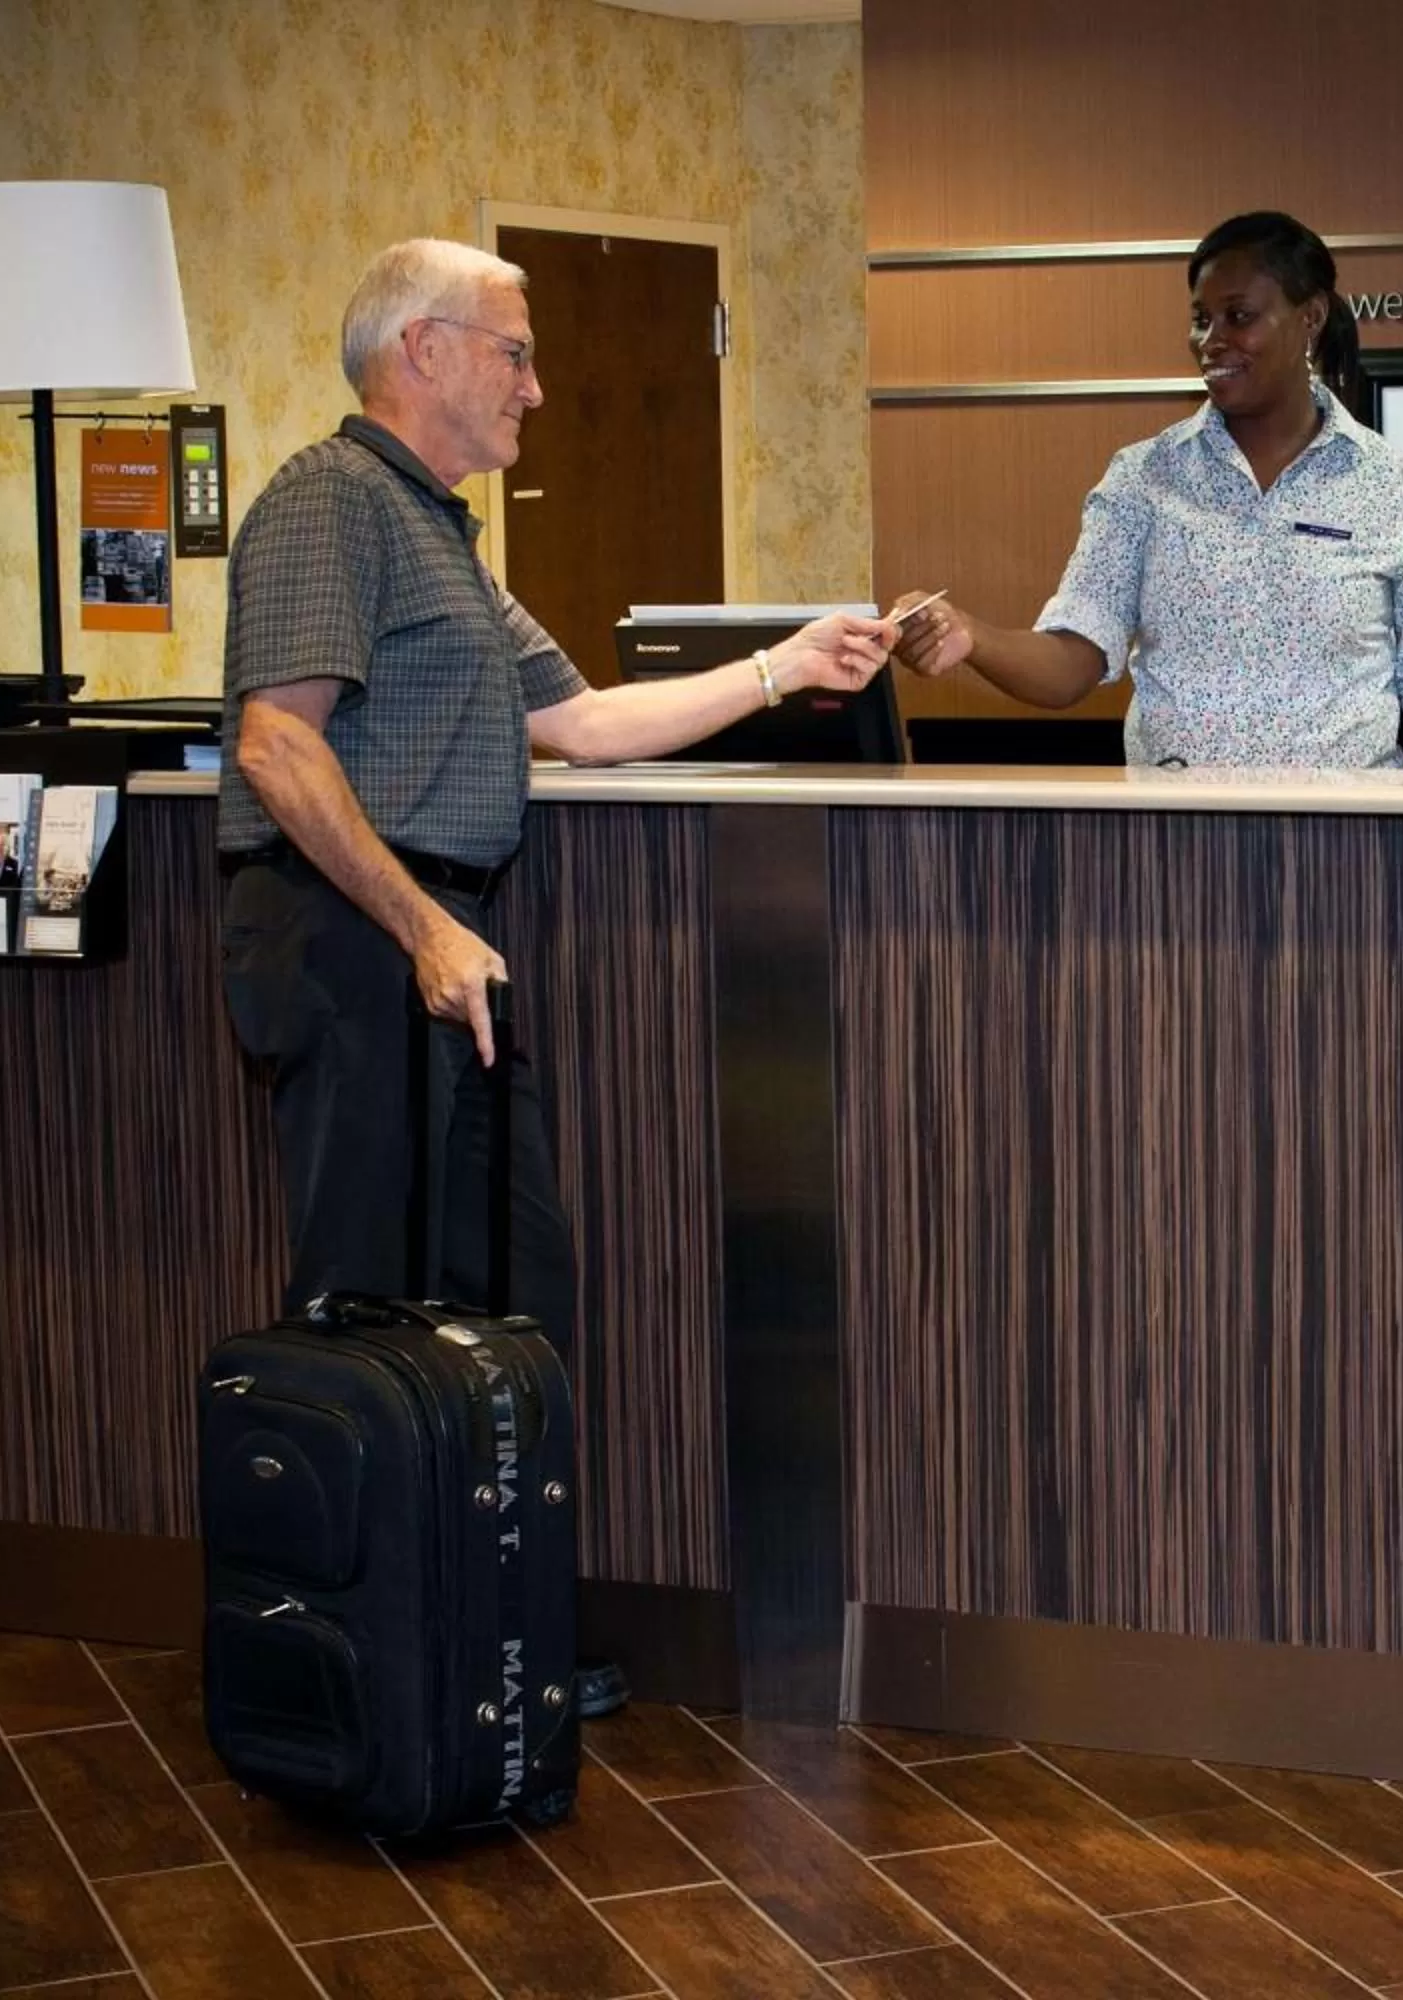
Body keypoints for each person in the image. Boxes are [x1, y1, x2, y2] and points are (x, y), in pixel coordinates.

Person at [216, 239, 896, 1714]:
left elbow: (586, 721)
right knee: (370, 1310)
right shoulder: (325, 502)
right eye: (515, 352)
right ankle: (364, 1669)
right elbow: (277, 744)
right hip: (358, 941)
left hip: (437, 947)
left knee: (499, 1298)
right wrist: (418, 928)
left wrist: (786, 668)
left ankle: (471, 1639)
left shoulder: (440, 534)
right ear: (424, 352)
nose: (538, 384)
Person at [889, 211, 1403, 769]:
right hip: (1175, 851)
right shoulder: (1143, 479)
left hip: (1341, 852)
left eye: (1239, 316)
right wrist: (970, 636)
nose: (1211, 339)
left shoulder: (1394, 488)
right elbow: (1073, 659)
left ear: (1310, 318)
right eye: (1201, 318)